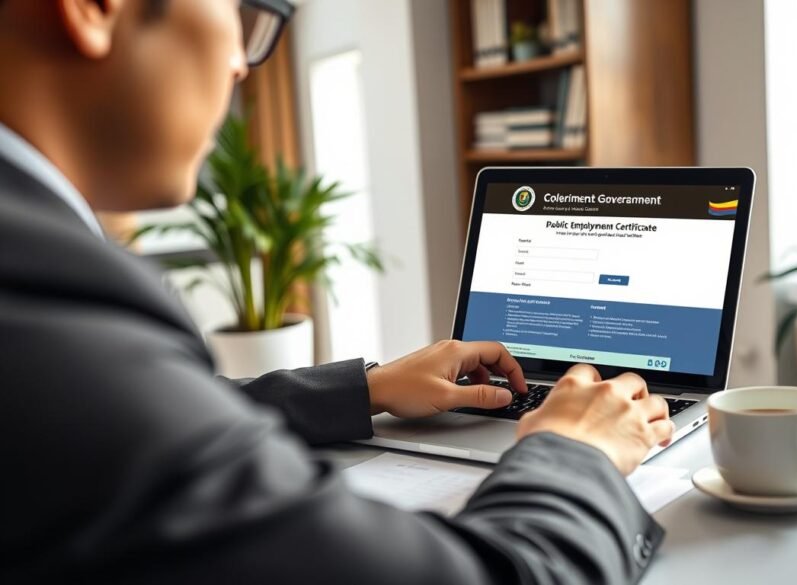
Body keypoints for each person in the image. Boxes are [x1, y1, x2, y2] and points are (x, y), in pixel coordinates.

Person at [0, 1, 675, 583]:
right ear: (93, 6)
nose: (241, 63)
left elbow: (153, 433)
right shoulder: (47, 300)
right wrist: (573, 449)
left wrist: (370, 388)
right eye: (242, 12)